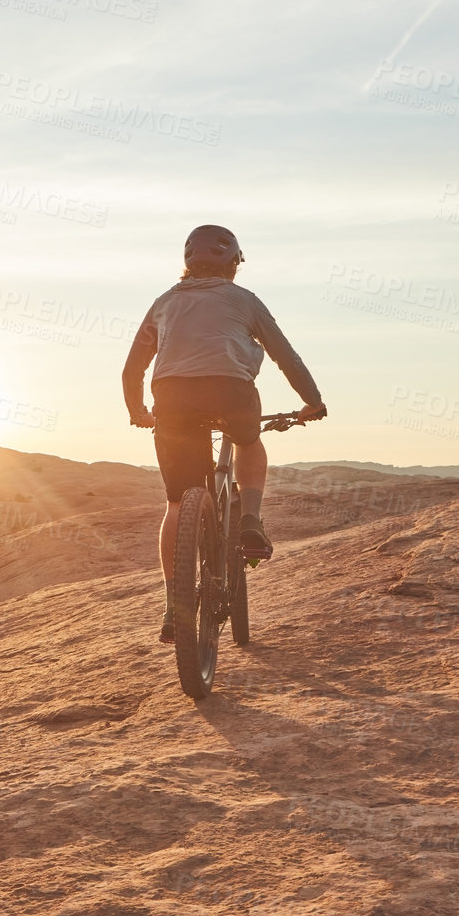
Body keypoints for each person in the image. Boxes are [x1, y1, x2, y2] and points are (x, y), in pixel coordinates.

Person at [121, 225, 325, 643]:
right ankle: (249, 519)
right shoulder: (244, 300)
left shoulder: (163, 303)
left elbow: (132, 368)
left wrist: (137, 411)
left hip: (172, 399)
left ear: (187, 263)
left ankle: (173, 606)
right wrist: (312, 401)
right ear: (234, 265)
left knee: (178, 501)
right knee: (249, 441)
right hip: (231, 392)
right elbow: (284, 355)